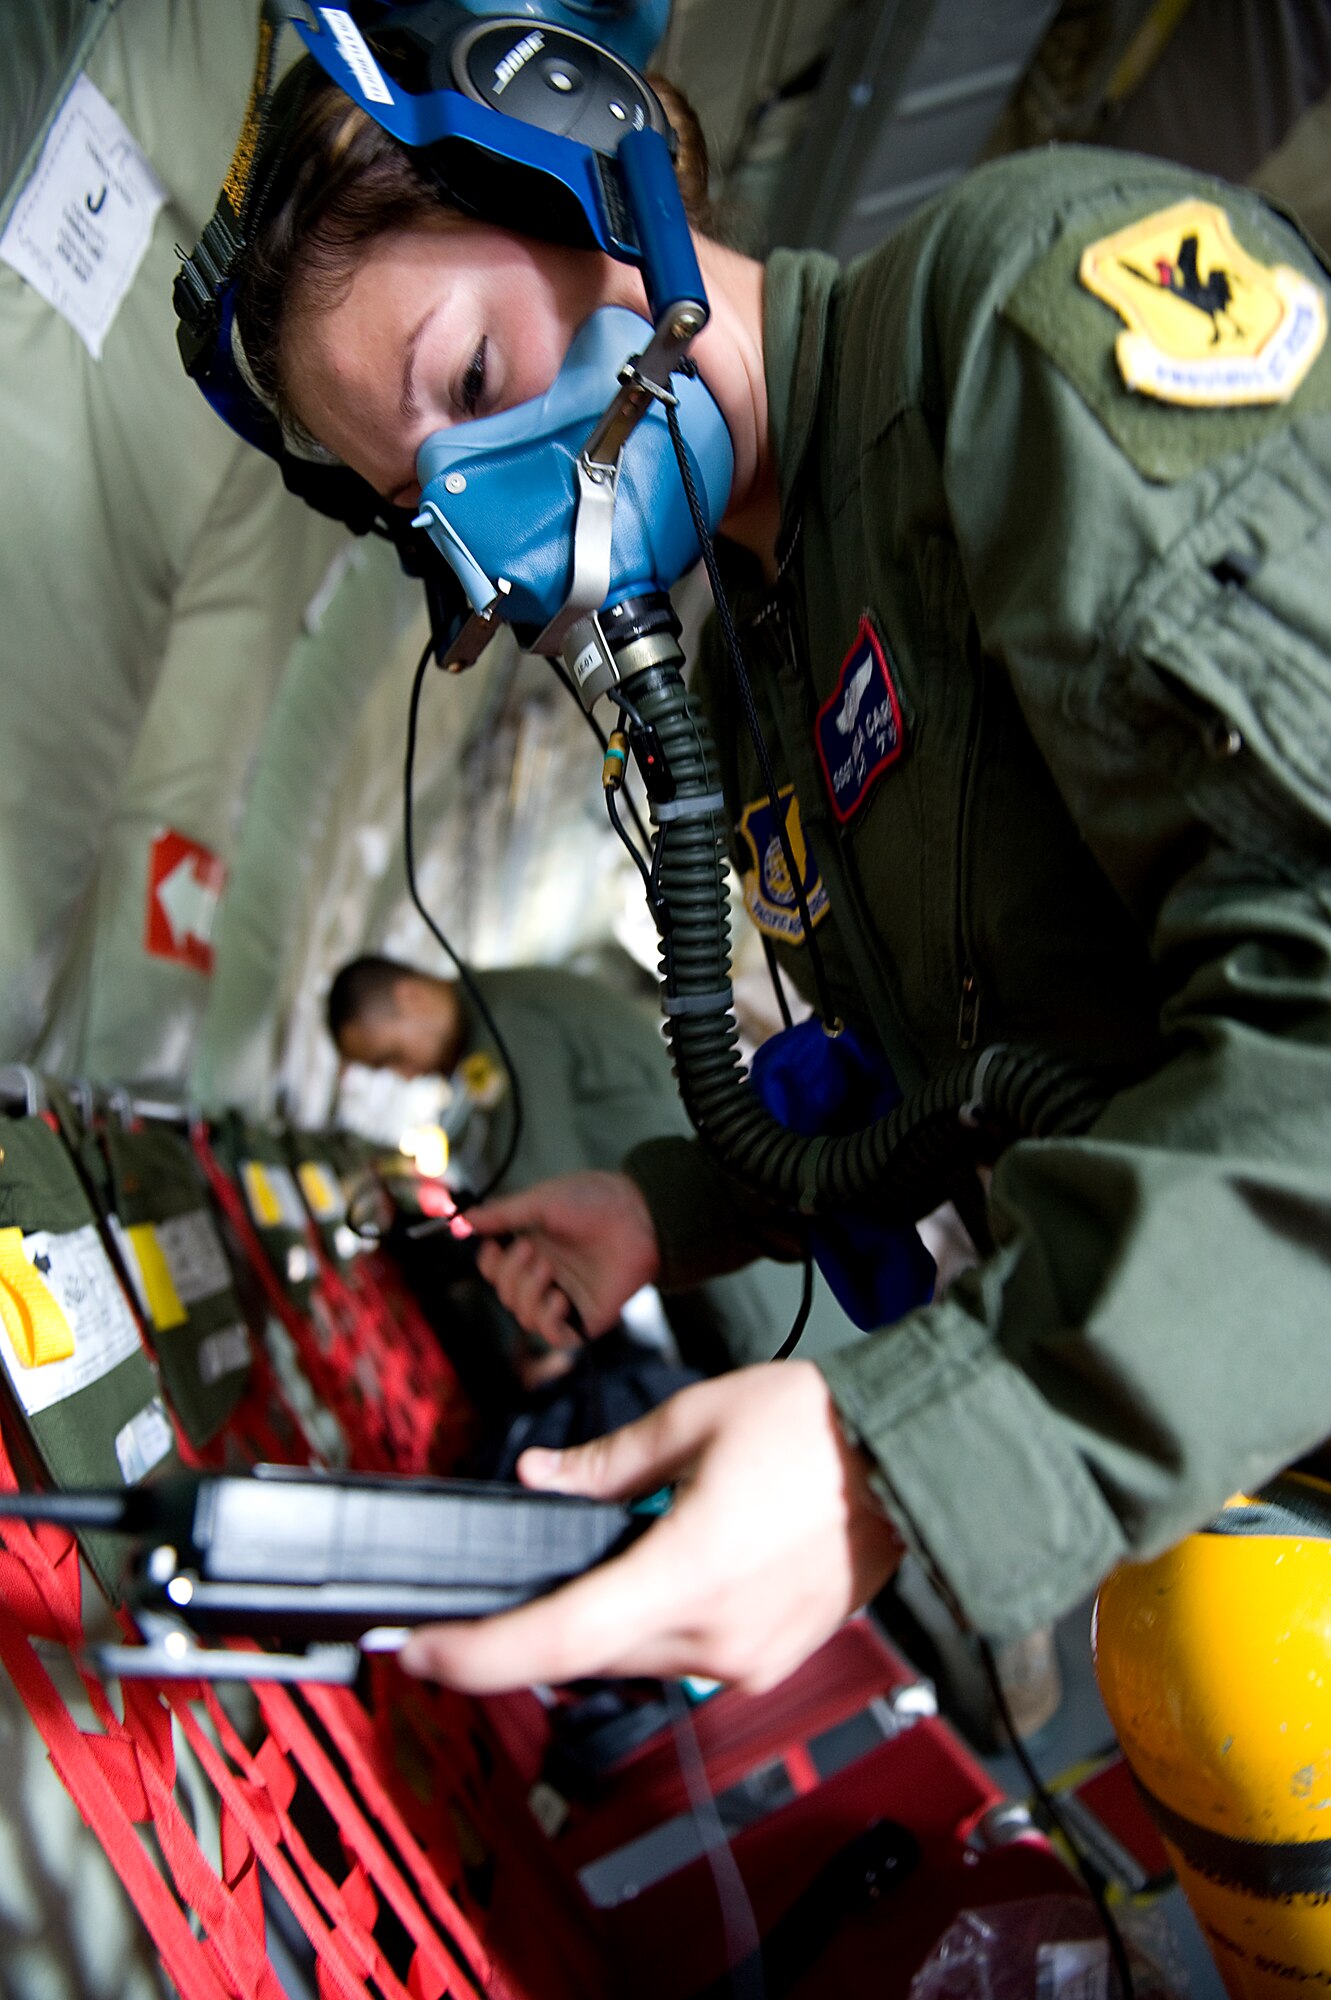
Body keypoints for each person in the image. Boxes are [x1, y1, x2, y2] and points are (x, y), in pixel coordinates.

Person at [234, 58, 1331, 1700]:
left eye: (471, 375)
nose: (486, 521)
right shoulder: (761, 658)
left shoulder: (1011, 330)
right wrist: (661, 1209)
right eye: (423, 508)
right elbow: (945, 1077)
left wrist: (904, 1462)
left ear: (603, 191)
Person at [327, 951, 860, 1375]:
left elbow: (538, 1190)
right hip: (707, 1236)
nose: (402, 1075)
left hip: (747, 1272)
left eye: (391, 1057)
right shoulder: (504, 1007)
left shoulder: (509, 1026)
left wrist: (542, 1344)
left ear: (411, 997)